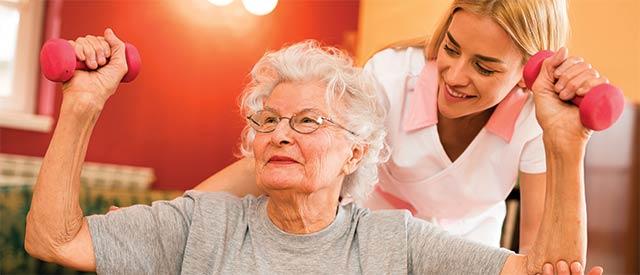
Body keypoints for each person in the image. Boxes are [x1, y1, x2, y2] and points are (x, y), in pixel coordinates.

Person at [25, 29, 602, 274]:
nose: (280, 133)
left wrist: (566, 142)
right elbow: (52, 241)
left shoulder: (393, 242)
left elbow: (541, 269)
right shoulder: (202, 224)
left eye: (307, 121)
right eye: (268, 119)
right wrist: (81, 107)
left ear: (357, 153)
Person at [192, 0, 609, 252]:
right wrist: (173, 215)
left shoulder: (533, 118)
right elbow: (290, 152)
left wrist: (567, 142)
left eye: (484, 66)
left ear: (527, 73)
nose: (456, 75)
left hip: (464, 254)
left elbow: (539, 247)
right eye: (451, 47)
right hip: (370, 245)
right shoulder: (390, 79)